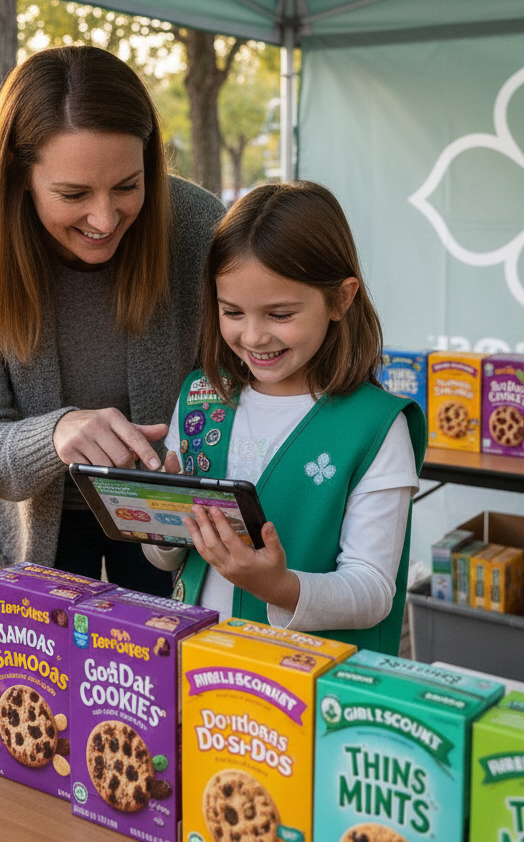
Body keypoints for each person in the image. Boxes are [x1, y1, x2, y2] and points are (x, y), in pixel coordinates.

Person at [0, 45, 225, 593]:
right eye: (73, 194)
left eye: (128, 187)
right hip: (34, 532)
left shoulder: (197, 224)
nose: (105, 219)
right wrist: (56, 433)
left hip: (175, 526)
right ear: (18, 173)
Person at [145, 182, 426, 654]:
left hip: (303, 688)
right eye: (231, 311)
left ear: (341, 298)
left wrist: (278, 586)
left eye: (279, 313)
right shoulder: (200, 397)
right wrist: (163, 520)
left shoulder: (376, 427)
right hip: (195, 665)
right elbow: (167, 558)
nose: (252, 336)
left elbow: (374, 591)